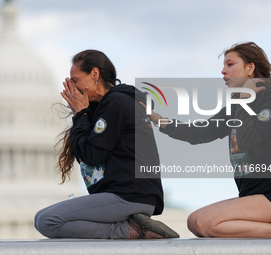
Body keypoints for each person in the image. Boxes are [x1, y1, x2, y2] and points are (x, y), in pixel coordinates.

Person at [34, 49, 179, 239]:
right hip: (127, 194)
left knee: (47, 221)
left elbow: (92, 156)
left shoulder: (117, 103)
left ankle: (132, 230)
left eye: (75, 80)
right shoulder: (106, 106)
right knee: (40, 218)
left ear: (94, 74)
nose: (72, 88)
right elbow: (85, 154)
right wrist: (82, 115)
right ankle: (132, 226)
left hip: (129, 195)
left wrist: (80, 114)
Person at [146, 42, 271, 238]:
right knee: (193, 221)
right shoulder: (237, 105)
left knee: (205, 224)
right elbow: (198, 133)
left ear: (250, 68)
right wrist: (157, 119)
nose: (223, 71)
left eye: (230, 64)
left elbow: (246, 140)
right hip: (253, 194)